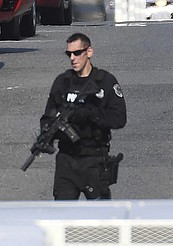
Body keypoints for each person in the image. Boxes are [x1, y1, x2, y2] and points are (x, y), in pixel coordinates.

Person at [42, 33, 127, 200]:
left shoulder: (105, 82)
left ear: (89, 52)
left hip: (94, 158)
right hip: (66, 159)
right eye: (69, 54)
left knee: (100, 221)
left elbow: (119, 118)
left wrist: (90, 114)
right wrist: (48, 136)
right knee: (62, 217)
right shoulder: (63, 82)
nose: (72, 58)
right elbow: (48, 116)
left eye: (77, 53)